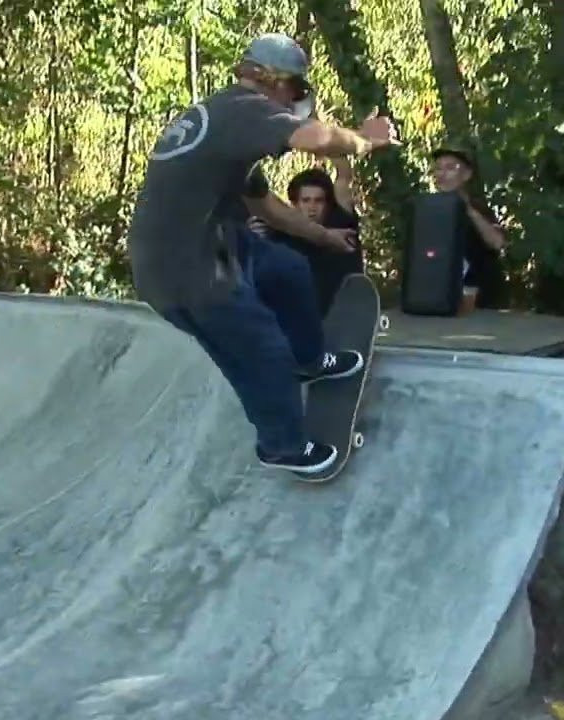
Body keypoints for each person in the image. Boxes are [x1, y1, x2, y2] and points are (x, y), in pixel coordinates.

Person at [126, 32, 399, 477]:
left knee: (287, 268)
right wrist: (365, 140)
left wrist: (323, 237)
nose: (293, 103)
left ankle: (309, 360)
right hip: (190, 274)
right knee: (261, 350)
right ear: (274, 81)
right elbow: (314, 138)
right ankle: (282, 446)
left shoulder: (225, 127)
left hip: (216, 245)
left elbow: (266, 207)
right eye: (294, 92)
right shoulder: (244, 109)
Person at [251, 159, 362, 316]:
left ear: (328, 205)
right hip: (296, 312)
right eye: (306, 201)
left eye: (318, 201)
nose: (312, 208)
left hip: (338, 310)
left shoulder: (342, 225)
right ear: (295, 204)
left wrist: (327, 146)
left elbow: (343, 176)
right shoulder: (279, 234)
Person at [430, 146, 508, 311]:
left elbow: (497, 242)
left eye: (450, 168)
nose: (442, 174)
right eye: (438, 168)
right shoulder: (429, 209)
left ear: (466, 175)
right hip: (443, 297)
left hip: (483, 300)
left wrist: (469, 211)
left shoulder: (478, 208)